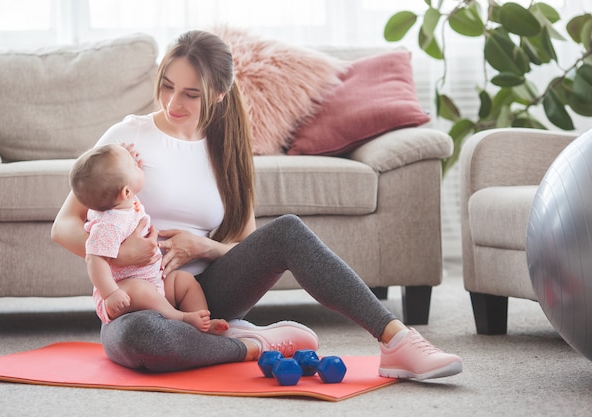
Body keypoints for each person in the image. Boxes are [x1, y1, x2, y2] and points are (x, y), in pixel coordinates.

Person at [52, 29, 462, 379]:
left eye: (191, 94)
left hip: (207, 293)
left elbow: (243, 246)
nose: (173, 103)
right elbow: (64, 225)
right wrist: (125, 251)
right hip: (138, 300)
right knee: (140, 339)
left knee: (287, 231)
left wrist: (203, 247)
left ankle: (397, 341)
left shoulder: (228, 149)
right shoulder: (128, 138)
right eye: (167, 85)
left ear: (218, 93)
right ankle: (251, 343)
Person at [70, 143, 228, 334]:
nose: (139, 166)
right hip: (124, 293)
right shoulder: (109, 224)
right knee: (141, 290)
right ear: (126, 192)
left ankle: (202, 321)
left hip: (155, 284)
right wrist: (111, 293)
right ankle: (182, 318)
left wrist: (126, 164)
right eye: (135, 167)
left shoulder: (125, 200)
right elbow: (94, 259)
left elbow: (119, 181)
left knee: (184, 281)